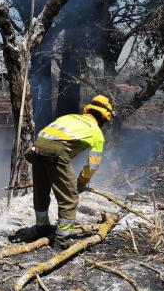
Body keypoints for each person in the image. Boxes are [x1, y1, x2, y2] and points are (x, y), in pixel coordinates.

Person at [9, 95, 115, 247]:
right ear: (104, 118)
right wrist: (81, 182)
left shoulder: (70, 117)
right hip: (57, 153)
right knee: (69, 198)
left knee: (41, 191)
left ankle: (42, 227)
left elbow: (46, 134)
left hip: (36, 149)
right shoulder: (96, 132)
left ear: (88, 110)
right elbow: (93, 164)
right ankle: (61, 241)